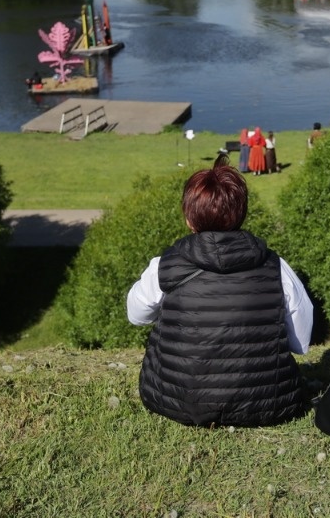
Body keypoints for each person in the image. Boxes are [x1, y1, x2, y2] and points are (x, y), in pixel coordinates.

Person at [127, 157, 313, 427]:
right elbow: (301, 342)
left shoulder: (164, 266)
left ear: (190, 217)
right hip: (268, 402)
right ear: (241, 212)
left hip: (177, 400)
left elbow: (136, 315)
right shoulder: (276, 267)